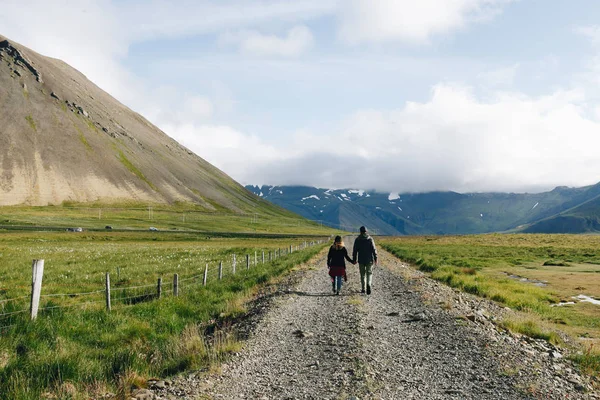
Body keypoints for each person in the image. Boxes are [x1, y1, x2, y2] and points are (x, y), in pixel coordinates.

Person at [353, 226, 378, 295]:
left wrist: (354, 259)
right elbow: (374, 249)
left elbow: (355, 251)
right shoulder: (370, 239)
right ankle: (368, 284)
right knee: (369, 273)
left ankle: (363, 289)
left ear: (360, 232)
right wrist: (376, 258)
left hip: (361, 260)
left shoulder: (357, 240)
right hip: (369, 260)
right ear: (366, 231)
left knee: (362, 274)